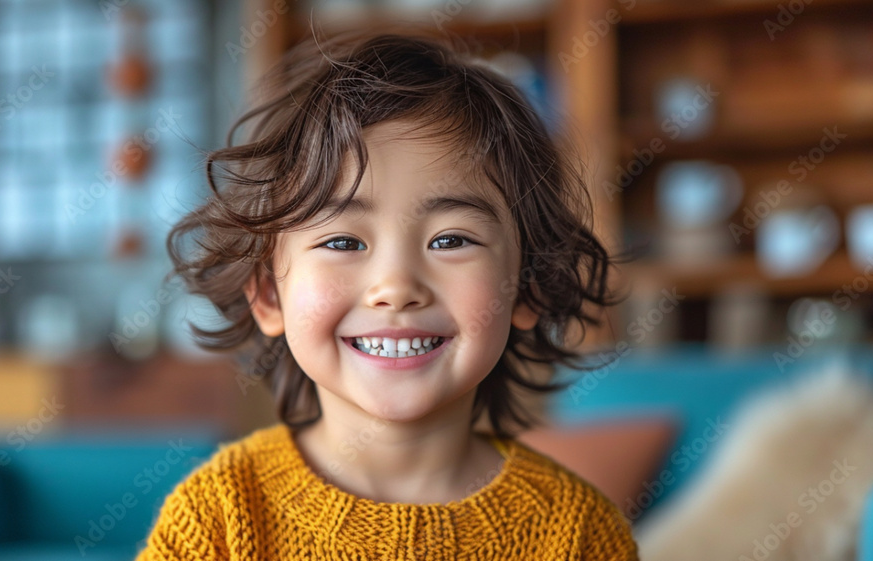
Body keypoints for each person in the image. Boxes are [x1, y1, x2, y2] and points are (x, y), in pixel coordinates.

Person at [136, 27, 638, 560]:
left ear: (528, 287)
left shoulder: (578, 530)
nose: (396, 288)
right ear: (267, 295)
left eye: (450, 240)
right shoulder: (220, 514)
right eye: (343, 241)